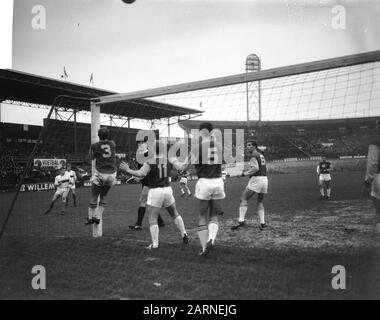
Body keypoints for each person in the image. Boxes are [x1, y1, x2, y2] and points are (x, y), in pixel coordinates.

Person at [120, 141, 188, 249]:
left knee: (152, 219)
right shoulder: (168, 160)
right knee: (175, 214)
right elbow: (181, 168)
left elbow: (141, 173)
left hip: (155, 191)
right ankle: (184, 233)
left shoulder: (149, 162)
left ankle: (155, 244)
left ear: (152, 150)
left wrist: (128, 170)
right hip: (167, 189)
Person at [174, 122, 225, 256]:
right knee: (213, 215)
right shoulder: (219, 146)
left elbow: (183, 167)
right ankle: (211, 239)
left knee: (202, 216)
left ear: (201, 132)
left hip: (204, 182)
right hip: (218, 182)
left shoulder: (197, 148)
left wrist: (174, 161)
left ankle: (203, 248)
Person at [231, 140, 268, 231]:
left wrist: (243, 174)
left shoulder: (253, 156)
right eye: (247, 145)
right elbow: (263, 167)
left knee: (243, 199)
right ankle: (263, 223)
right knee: (260, 201)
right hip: (264, 179)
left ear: (255, 146)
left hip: (256, 179)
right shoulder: (261, 155)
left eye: (249, 145)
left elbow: (255, 168)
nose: (247, 147)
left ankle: (241, 221)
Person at [129, 140, 165, 230]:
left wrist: (139, 177)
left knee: (143, 201)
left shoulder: (148, 155)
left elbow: (150, 170)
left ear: (146, 145)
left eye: (141, 143)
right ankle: (160, 222)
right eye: (138, 144)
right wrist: (137, 177)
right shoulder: (141, 156)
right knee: (149, 203)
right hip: (147, 181)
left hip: (150, 182)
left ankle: (138, 224)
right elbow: (141, 170)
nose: (139, 145)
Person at [85, 127, 117, 226]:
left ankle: (90, 217)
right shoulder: (112, 144)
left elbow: (89, 158)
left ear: (98, 135)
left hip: (101, 173)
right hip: (112, 174)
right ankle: (98, 217)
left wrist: (94, 152)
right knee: (103, 196)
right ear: (108, 135)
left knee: (94, 195)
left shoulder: (94, 145)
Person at [363, 119, 380, 233]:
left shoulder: (376, 140)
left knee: (379, 210)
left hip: (379, 177)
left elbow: (372, 163)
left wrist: (367, 181)